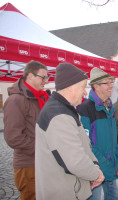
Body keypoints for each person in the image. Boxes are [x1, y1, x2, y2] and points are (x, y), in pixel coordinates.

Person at [35, 63, 105, 200]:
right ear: (70, 87)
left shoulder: (65, 109)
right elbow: (75, 162)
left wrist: (94, 164)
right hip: (63, 192)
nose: (85, 92)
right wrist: (96, 174)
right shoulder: (59, 115)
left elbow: (84, 145)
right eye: (83, 87)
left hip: (71, 188)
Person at [3, 60, 49, 200]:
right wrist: (42, 147)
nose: (46, 81)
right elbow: (13, 137)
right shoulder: (16, 100)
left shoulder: (38, 97)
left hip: (41, 160)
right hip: (28, 164)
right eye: (43, 77)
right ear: (30, 76)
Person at [77, 67, 118, 200]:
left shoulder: (110, 107)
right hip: (96, 171)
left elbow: (114, 138)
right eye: (107, 83)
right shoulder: (84, 109)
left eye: (111, 82)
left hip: (112, 168)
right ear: (96, 86)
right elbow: (85, 144)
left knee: (115, 196)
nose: (111, 86)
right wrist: (104, 162)